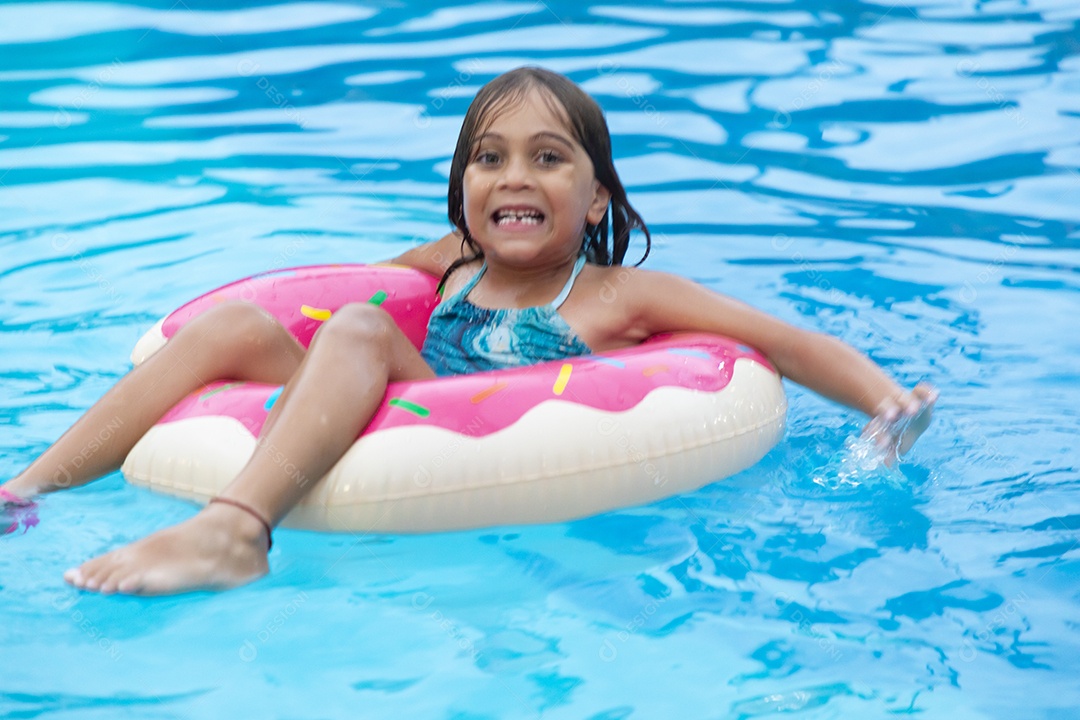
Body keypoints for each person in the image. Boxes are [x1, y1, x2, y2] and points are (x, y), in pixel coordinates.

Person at [0, 67, 936, 596]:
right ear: (463, 191)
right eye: (488, 159)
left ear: (597, 193)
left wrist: (885, 405)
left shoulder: (613, 298)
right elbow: (333, 300)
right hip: (402, 398)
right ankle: (27, 488)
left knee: (364, 333)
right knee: (244, 324)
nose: (513, 177)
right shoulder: (450, 260)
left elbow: (776, 340)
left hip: (488, 434)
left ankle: (235, 532)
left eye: (548, 157)